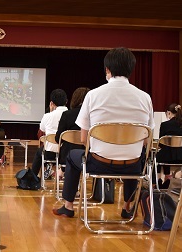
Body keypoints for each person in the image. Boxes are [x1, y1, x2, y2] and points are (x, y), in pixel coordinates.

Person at [54, 47, 154, 218]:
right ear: (131, 70)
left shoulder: (93, 95)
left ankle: (68, 206)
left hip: (99, 162)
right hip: (133, 165)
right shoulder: (145, 98)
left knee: (72, 155)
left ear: (107, 70)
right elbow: (147, 140)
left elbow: (84, 138)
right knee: (134, 153)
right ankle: (127, 207)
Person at [31, 89, 68, 178]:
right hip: (66, 154)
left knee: (39, 152)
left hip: (50, 153)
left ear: (52, 103)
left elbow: (42, 129)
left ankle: (33, 178)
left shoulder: (47, 116)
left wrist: (51, 113)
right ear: (66, 101)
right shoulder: (71, 115)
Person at [55, 87, 90, 178]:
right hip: (88, 155)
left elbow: (57, 138)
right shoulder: (93, 115)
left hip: (67, 155)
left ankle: (70, 188)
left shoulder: (67, 114)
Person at [156, 103, 182, 189]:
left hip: (166, 157)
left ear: (169, 113)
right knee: (166, 151)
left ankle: (159, 178)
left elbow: (161, 143)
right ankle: (168, 177)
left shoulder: (164, 125)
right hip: (181, 156)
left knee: (158, 155)